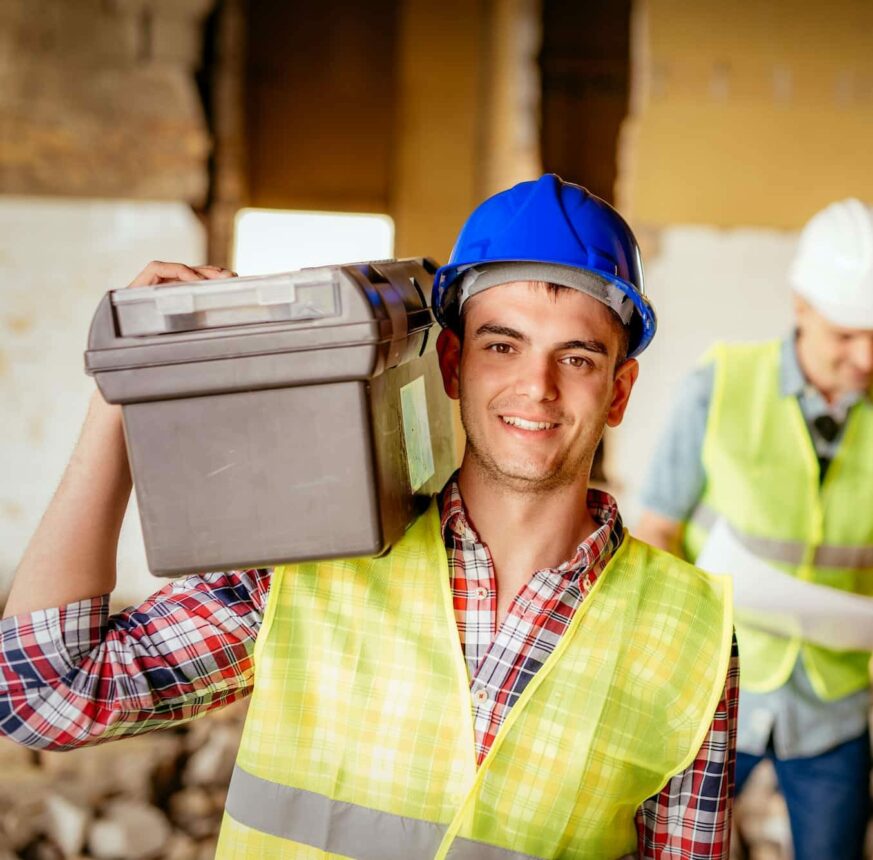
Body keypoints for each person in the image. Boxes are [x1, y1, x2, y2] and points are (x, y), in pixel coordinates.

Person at [1, 174, 737, 859]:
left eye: (575, 357)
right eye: (501, 345)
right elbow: (44, 694)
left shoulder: (691, 634)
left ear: (618, 389)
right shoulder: (312, 560)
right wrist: (120, 386)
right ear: (450, 364)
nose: (535, 386)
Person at [636, 198, 873, 860]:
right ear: (800, 307)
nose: (864, 356)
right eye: (847, 334)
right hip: (720, 689)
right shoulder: (720, 384)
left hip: (835, 703)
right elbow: (657, 528)